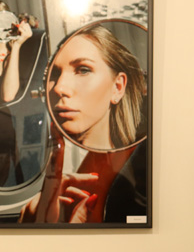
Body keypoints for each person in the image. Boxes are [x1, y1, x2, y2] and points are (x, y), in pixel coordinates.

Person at [19, 23, 147, 224]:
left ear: (118, 87)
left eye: (83, 70)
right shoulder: (40, 166)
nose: (59, 88)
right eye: (54, 73)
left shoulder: (140, 168)